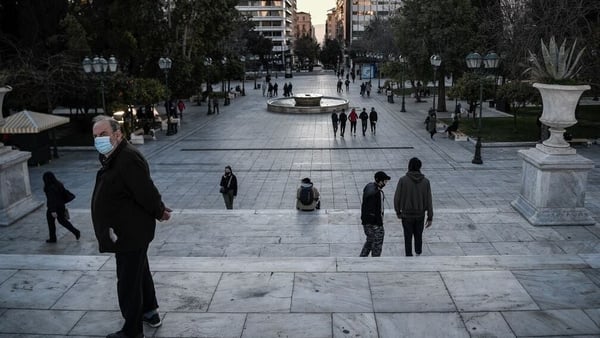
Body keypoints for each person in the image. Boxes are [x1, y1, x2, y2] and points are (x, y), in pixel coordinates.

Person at [91, 116, 172, 338]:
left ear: (117, 134)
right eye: (96, 136)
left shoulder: (126, 158)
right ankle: (149, 312)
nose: (99, 139)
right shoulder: (113, 156)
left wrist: (159, 210)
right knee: (139, 273)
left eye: (103, 134)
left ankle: (132, 331)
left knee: (128, 282)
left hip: (129, 232)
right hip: (129, 230)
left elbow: (145, 190)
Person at [394, 157, 433, 257]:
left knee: (407, 237)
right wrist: (430, 217)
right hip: (420, 215)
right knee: (418, 236)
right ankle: (418, 253)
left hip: (406, 215)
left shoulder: (403, 180)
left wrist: (398, 212)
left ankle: (409, 255)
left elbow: (396, 198)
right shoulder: (426, 182)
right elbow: (429, 200)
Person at [42, 171, 80, 243]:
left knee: (51, 223)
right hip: (61, 206)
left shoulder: (49, 188)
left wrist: (53, 210)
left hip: (52, 208)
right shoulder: (59, 184)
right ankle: (76, 231)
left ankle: (53, 238)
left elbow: (51, 199)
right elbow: (64, 193)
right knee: (63, 221)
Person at [360, 171, 391, 257]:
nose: (385, 183)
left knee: (370, 240)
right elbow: (378, 210)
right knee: (377, 242)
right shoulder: (377, 192)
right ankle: (375, 261)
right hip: (374, 223)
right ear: (380, 181)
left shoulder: (368, 186)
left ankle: (362, 258)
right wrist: (379, 224)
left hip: (365, 222)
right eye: (384, 181)